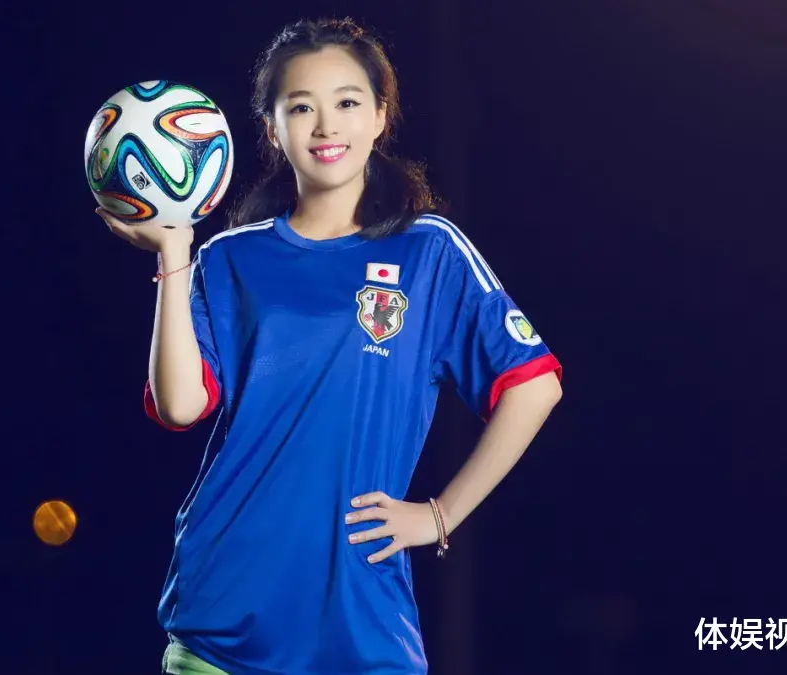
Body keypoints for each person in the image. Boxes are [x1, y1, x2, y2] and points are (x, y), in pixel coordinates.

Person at [97, 17, 564, 675]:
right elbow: (178, 406)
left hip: (362, 628)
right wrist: (175, 254)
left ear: (379, 116)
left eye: (346, 102)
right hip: (223, 617)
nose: (325, 126)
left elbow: (534, 385)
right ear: (271, 129)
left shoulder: (429, 251)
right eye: (300, 107)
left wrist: (438, 516)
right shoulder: (229, 258)